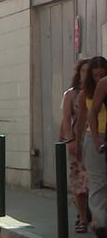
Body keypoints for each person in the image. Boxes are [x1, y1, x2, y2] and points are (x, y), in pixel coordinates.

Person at [76, 56, 107, 238]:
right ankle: (100, 224)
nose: (98, 78)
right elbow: (83, 118)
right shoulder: (85, 94)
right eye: (95, 75)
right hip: (95, 137)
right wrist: (78, 142)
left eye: (101, 74)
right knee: (98, 182)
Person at [59, 59, 90, 233]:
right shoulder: (70, 94)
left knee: (94, 182)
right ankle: (83, 219)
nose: (87, 74)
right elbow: (65, 119)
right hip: (78, 141)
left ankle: (89, 213)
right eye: (84, 71)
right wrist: (70, 141)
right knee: (79, 182)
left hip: (94, 140)